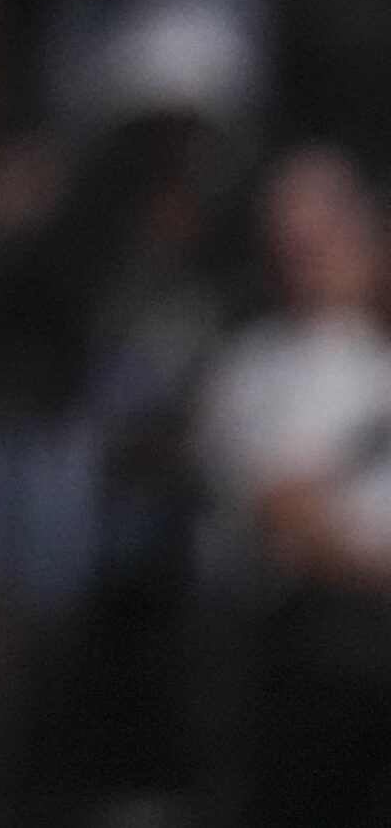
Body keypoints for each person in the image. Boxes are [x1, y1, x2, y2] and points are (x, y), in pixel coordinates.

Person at [196, 144, 391, 826]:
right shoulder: (260, 365)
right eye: (294, 245)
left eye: (333, 232)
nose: (316, 256)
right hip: (321, 640)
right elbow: (285, 514)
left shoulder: (375, 357)